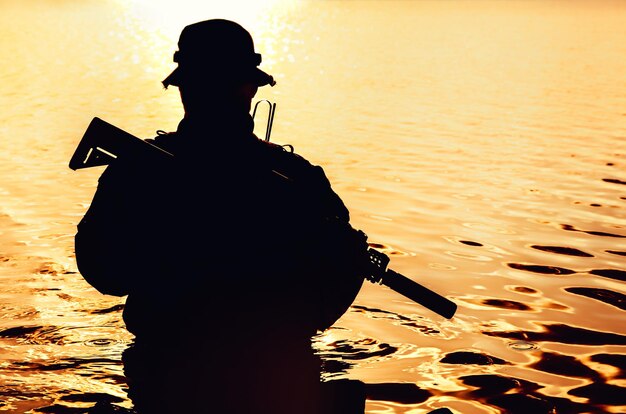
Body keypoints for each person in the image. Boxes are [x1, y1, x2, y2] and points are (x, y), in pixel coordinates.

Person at [75, 19, 368, 413]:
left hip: (163, 378)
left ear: (182, 88)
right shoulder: (300, 182)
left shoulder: (137, 171)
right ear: (250, 88)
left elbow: (103, 273)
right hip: (275, 381)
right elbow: (323, 305)